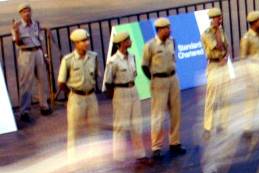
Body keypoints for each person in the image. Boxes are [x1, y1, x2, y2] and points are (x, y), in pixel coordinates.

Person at [141, 18, 186, 160]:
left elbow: (174, 59)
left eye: (169, 27)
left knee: (175, 112)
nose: (170, 30)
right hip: (158, 81)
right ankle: (156, 147)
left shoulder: (172, 41)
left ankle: (175, 142)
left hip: (173, 79)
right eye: (167, 28)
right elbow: (144, 65)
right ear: (159, 30)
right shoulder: (150, 46)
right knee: (158, 115)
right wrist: (154, 79)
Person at [104, 31, 148, 164]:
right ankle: (119, 157)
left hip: (133, 90)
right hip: (120, 91)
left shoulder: (132, 57)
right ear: (121, 43)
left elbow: (134, 74)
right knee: (120, 125)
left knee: (136, 123)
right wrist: (115, 98)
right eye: (128, 40)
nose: (130, 41)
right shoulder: (113, 61)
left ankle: (140, 154)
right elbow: (108, 82)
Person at [58, 29, 99, 157]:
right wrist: (72, 94)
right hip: (76, 97)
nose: (86, 43)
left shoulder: (93, 56)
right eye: (82, 41)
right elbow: (61, 82)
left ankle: (95, 157)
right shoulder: (68, 60)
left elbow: (96, 75)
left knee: (94, 128)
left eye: (87, 40)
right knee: (74, 131)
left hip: (91, 97)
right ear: (76, 43)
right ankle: (73, 159)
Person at [11, 2, 51, 122]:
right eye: (24, 12)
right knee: (26, 82)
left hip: (37, 51)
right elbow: (18, 43)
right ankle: (24, 111)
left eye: (28, 11)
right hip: (26, 53)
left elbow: (39, 40)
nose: (27, 13)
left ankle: (44, 105)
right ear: (20, 14)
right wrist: (16, 32)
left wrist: (44, 56)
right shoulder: (17, 26)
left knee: (42, 80)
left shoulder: (36, 24)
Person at [201, 7, 230, 135]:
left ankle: (223, 124)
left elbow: (226, 46)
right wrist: (217, 30)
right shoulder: (207, 33)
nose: (219, 19)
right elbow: (218, 45)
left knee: (225, 96)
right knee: (211, 98)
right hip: (213, 66)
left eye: (219, 17)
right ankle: (208, 126)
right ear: (212, 19)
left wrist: (227, 56)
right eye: (217, 17)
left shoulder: (221, 31)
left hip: (223, 65)